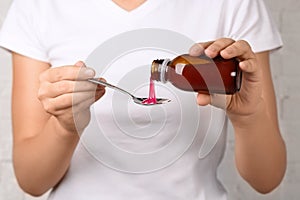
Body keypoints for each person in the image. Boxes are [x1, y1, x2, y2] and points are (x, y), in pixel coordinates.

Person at [0, 0, 286, 199]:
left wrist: (248, 117)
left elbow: (267, 179)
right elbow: (32, 181)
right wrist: (66, 126)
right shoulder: (37, 6)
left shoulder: (233, 4)